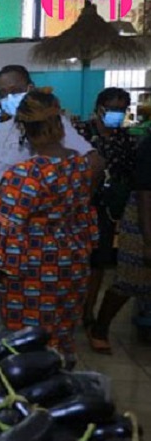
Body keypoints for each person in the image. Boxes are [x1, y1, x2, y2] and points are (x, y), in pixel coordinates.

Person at [0, 91, 98, 358]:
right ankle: (62, 384)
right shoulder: (79, 164)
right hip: (71, 265)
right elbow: (83, 215)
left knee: (28, 345)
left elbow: (0, 231)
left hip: (33, 273)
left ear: (22, 127)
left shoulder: (26, 174)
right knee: (60, 335)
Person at [0, 65, 100, 209]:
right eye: (3, 94)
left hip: (30, 220)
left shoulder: (49, 124)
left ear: (30, 89)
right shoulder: (2, 128)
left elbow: (95, 162)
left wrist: (76, 204)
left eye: (15, 91)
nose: (9, 97)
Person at [75, 88, 137, 333]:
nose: (116, 114)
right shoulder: (80, 133)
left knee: (97, 263)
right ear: (99, 108)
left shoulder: (125, 139)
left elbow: (129, 175)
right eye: (112, 108)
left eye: (121, 110)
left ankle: (88, 311)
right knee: (75, 260)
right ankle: (70, 306)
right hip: (76, 206)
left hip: (105, 210)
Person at [89, 132, 151, 353]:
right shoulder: (148, 144)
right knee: (131, 277)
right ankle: (100, 328)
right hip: (144, 216)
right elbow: (144, 192)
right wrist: (148, 239)